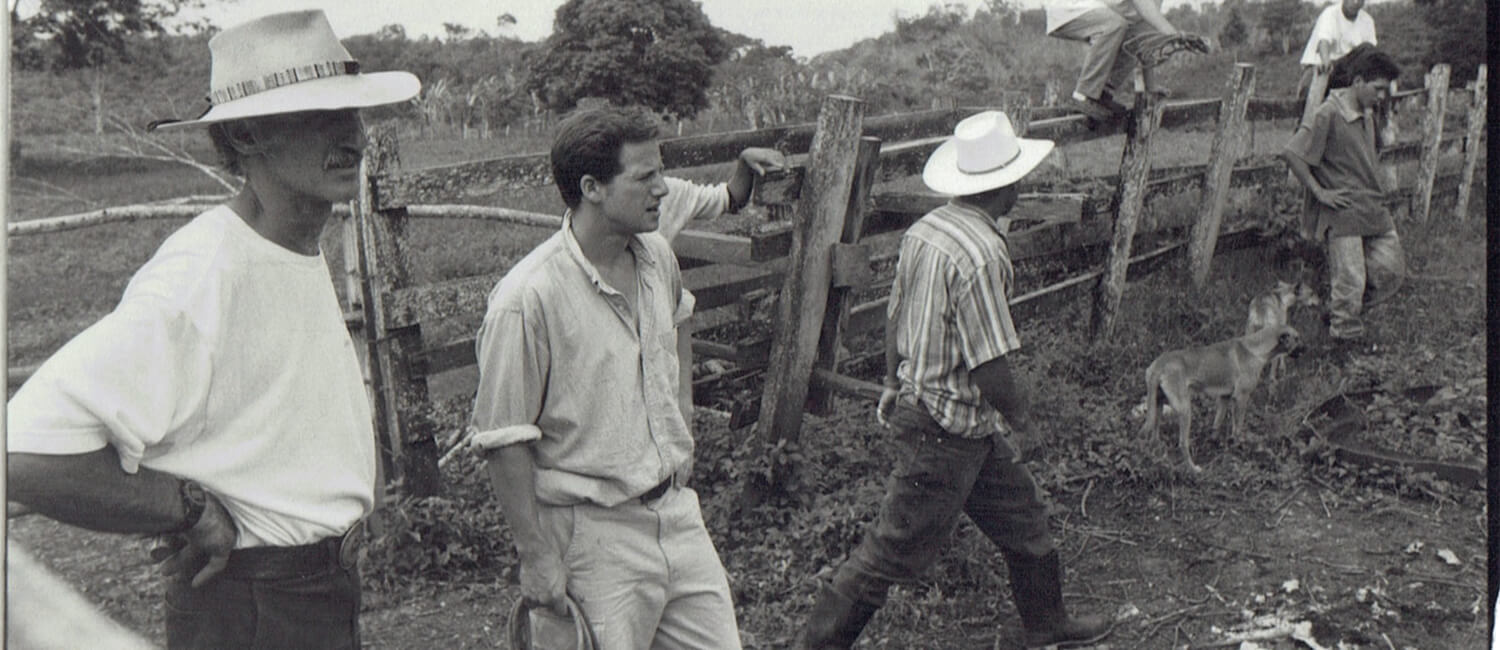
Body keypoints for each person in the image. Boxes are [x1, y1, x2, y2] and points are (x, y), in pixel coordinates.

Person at [5, 10, 419, 649]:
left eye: (353, 113)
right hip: (255, 606)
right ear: (247, 136)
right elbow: (24, 453)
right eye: (317, 116)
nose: (351, 136)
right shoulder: (204, 274)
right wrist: (191, 509)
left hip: (315, 593)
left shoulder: (291, 243)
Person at [795, 111, 1112, 650]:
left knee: (1024, 517)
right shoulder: (982, 252)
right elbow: (989, 361)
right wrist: (1025, 420)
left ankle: (1046, 623)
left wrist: (894, 375)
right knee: (890, 550)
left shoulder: (928, 228)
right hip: (943, 428)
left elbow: (897, 311)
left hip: (958, 419)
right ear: (1005, 184)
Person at [469, 105, 743, 649]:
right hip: (592, 538)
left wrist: (681, 413)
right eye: (645, 177)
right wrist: (537, 556)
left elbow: (679, 317)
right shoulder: (527, 299)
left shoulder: (657, 258)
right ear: (592, 187)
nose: (664, 190)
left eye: (660, 173)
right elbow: (503, 438)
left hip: (676, 514)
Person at [1281, 46, 1405, 348]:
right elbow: (1292, 153)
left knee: (1392, 270)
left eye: (1384, 91)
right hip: (1343, 212)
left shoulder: (1367, 114)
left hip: (1372, 207)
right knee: (1350, 283)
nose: (1381, 97)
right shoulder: (1328, 112)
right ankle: (1344, 344)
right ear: (1358, 81)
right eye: (1377, 89)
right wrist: (1319, 191)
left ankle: (1335, 312)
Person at [1044, 0, 1205, 122]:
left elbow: (1145, 38)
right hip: (1067, 6)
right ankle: (1083, 95)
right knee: (1113, 24)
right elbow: (1147, 11)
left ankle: (1102, 93)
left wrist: (1151, 88)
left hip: (1095, 9)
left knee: (1134, 33)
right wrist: (1174, 35)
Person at [655, 146, 786, 242]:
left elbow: (730, 198)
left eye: (660, 171)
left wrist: (745, 162)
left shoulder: (670, 191)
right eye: (645, 176)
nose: (660, 188)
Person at [1296, 0, 1377, 101]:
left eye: (1360, 0)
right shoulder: (1330, 14)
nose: (1355, 2)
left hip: (1346, 72)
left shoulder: (1367, 21)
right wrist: (1325, 61)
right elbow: (1324, 42)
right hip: (1320, 67)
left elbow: (1370, 53)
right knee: (1311, 86)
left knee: (1367, 51)